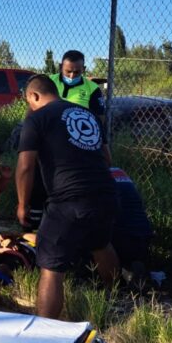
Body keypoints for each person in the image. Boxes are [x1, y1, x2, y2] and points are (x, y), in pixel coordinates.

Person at [15, 74, 119, 319]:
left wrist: (22, 204)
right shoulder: (87, 114)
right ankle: (114, 300)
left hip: (68, 200)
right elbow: (107, 159)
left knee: (51, 266)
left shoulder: (37, 118)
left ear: (34, 96)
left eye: (29, 101)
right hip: (106, 193)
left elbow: (25, 166)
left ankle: (45, 328)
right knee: (101, 244)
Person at [109, 167, 154, 284]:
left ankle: (111, 276)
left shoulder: (93, 175)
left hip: (121, 238)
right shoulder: (120, 171)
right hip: (145, 234)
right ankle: (132, 267)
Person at [49, 50, 106, 118]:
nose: (72, 76)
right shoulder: (48, 81)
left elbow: (100, 116)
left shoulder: (93, 88)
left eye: (76, 72)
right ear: (61, 67)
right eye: (68, 71)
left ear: (83, 69)